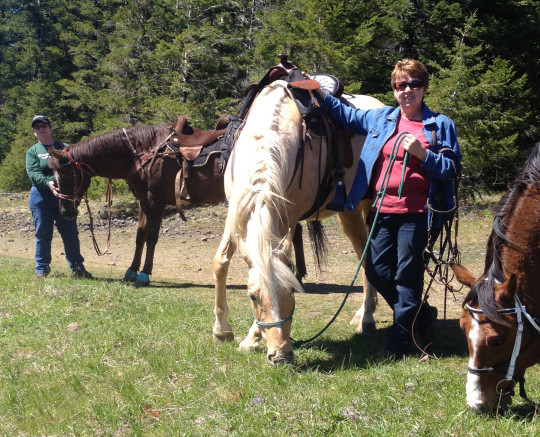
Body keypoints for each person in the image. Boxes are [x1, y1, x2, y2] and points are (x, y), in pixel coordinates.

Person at [314, 59, 462, 358]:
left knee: (407, 277)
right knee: (378, 271)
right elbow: (345, 114)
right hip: (381, 210)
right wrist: (315, 89)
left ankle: (398, 344)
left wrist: (423, 155)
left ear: (424, 88)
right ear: (394, 89)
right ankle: (419, 316)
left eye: (413, 84)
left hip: (418, 212)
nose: (407, 90)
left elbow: (452, 168)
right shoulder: (381, 119)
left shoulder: (440, 125)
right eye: (400, 85)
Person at [25, 115, 93, 280]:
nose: (41, 129)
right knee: (43, 233)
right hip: (41, 198)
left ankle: (77, 267)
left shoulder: (65, 148)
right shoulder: (33, 152)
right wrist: (50, 183)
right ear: (35, 132)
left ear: (50, 128)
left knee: (70, 232)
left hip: (65, 196)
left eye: (44, 126)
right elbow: (33, 174)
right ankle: (41, 269)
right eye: (37, 127)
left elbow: (76, 169)